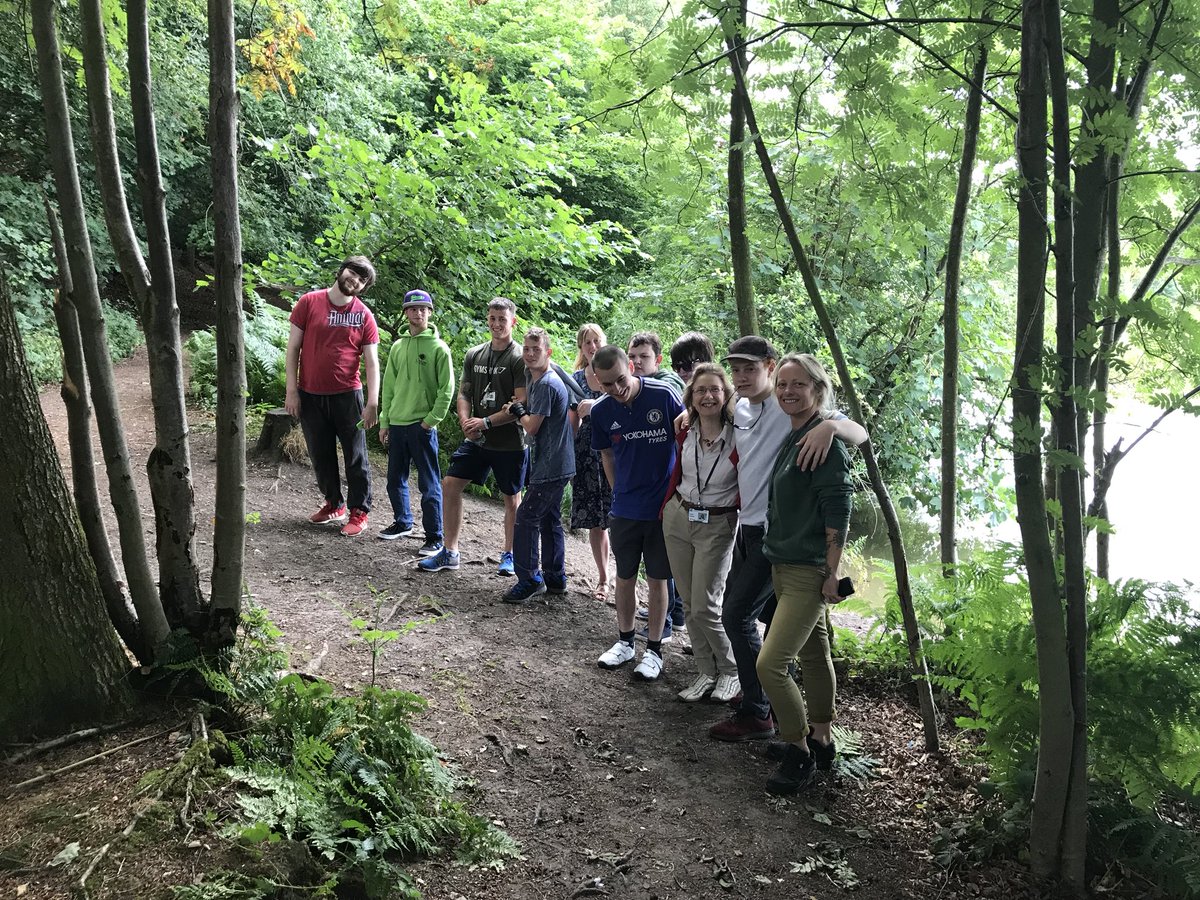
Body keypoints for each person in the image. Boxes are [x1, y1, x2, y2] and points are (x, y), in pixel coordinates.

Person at [708, 336, 867, 742]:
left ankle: (760, 710)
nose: (742, 376)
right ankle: (801, 721)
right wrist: (689, 418)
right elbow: (712, 410)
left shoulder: (795, 414)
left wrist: (831, 425)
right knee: (803, 638)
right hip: (753, 528)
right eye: (736, 369)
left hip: (780, 537)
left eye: (751, 368)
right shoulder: (740, 407)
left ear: (770, 366)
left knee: (737, 615)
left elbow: (859, 433)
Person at [757, 353, 853, 794]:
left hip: (807, 572)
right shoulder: (796, 435)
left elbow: (839, 508)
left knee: (771, 664)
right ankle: (821, 740)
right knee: (815, 654)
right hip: (783, 565)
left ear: (817, 389)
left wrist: (831, 573)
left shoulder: (822, 440)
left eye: (798, 384)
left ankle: (798, 751)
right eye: (782, 385)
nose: (788, 392)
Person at [590, 345, 685, 681]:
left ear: (630, 366)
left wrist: (678, 493)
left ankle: (655, 650)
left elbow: (685, 443)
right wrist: (619, 492)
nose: (616, 389)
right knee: (624, 576)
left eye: (620, 380)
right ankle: (625, 641)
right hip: (625, 509)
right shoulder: (601, 412)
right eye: (606, 385)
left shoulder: (664, 396)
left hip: (663, 507)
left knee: (659, 578)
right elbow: (608, 457)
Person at [419, 298, 527, 575]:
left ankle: (510, 554)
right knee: (450, 483)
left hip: (510, 442)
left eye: (502, 319)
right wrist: (466, 420)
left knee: (511, 498)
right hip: (477, 439)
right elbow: (464, 393)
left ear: (512, 321)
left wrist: (486, 422)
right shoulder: (474, 354)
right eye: (492, 318)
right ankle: (450, 551)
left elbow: (520, 405)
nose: (496, 324)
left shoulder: (519, 358)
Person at [661, 363, 740, 703]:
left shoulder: (741, 436)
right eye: (700, 390)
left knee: (707, 605)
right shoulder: (685, 429)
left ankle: (732, 669)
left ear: (726, 396)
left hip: (718, 524)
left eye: (715, 390)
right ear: (690, 397)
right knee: (690, 602)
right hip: (678, 517)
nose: (708, 396)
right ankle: (706, 671)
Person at [285, 255, 381, 537]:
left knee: (356, 456)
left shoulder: (363, 315)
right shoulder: (309, 302)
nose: (356, 280)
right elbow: (293, 350)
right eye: (354, 272)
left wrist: (373, 401)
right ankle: (333, 503)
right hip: (310, 394)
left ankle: (359, 511)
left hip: (347, 395)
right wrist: (292, 391)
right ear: (342, 270)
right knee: (320, 452)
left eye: (363, 280)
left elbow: (372, 362)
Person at [377, 289, 455, 556]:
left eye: (423, 309)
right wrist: (385, 420)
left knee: (429, 482)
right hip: (397, 422)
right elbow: (388, 387)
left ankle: (434, 536)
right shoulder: (398, 347)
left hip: (422, 425)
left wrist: (431, 420)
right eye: (413, 309)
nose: (418, 313)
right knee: (394, 478)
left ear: (430, 313)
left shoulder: (439, 348)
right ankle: (403, 522)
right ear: (406, 312)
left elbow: (447, 389)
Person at [500, 328, 575, 603]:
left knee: (526, 518)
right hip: (558, 461)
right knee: (549, 518)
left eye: (536, 350)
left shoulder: (545, 383)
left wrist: (518, 411)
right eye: (527, 349)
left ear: (548, 352)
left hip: (551, 464)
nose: (530, 354)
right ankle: (556, 577)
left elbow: (531, 428)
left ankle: (529, 578)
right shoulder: (541, 378)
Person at [628, 331, 687, 639]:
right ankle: (674, 614)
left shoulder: (667, 386)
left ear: (658, 359)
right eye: (633, 357)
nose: (637, 362)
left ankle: (663, 624)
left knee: (661, 562)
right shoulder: (637, 388)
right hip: (648, 488)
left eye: (644, 357)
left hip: (670, 485)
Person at [567, 324, 613, 603]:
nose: (592, 346)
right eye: (587, 343)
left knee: (620, 519)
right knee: (597, 522)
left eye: (596, 341)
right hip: (586, 455)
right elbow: (571, 424)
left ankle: (627, 580)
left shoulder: (616, 375)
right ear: (581, 348)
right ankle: (603, 578)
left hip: (616, 453)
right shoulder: (575, 380)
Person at [628, 331, 685, 398]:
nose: (636, 361)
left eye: (644, 356)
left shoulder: (669, 386)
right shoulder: (621, 386)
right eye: (631, 356)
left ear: (657, 360)